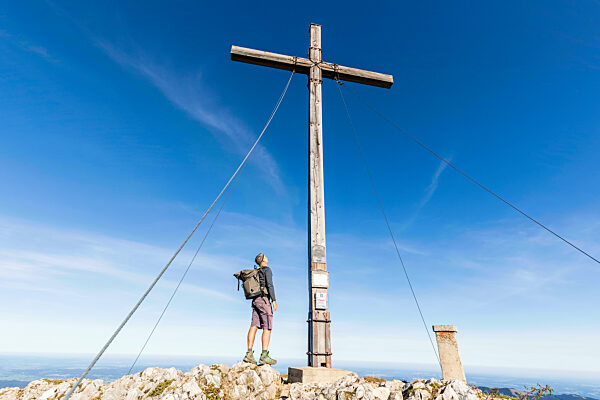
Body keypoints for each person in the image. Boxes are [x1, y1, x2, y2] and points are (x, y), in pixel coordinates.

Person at [243, 253, 278, 365]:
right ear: (263, 261)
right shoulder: (267, 270)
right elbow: (270, 285)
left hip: (255, 301)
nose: (267, 258)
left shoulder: (256, 272)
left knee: (254, 325)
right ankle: (264, 355)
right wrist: (274, 300)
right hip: (263, 300)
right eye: (266, 257)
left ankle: (248, 354)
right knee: (267, 327)